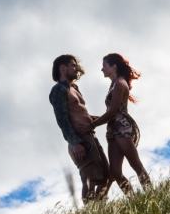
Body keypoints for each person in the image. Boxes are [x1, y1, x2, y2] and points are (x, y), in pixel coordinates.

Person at [49, 55, 111, 203]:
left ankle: (100, 210)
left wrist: (109, 116)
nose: (76, 68)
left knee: (106, 176)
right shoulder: (58, 89)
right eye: (73, 65)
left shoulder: (74, 88)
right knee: (90, 179)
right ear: (63, 68)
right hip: (79, 139)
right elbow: (62, 120)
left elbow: (82, 114)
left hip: (90, 136)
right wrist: (75, 142)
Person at [91, 53, 151, 195]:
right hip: (113, 129)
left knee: (136, 164)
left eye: (104, 66)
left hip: (122, 127)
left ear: (113, 66)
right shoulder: (114, 84)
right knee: (115, 171)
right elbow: (112, 113)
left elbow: (113, 112)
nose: (102, 69)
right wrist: (91, 118)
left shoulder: (120, 83)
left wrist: (92, 125)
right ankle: (134, 200)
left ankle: (151, 195)